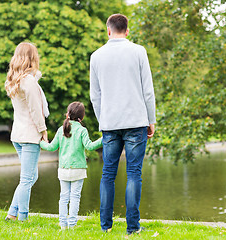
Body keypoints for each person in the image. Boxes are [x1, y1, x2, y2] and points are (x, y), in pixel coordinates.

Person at [90, 13, 156, 235]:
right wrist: (151, 120)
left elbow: (95, 96)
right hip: (136, 121)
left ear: (108, 31)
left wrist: (103, 119)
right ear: (127, 31)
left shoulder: (96, 56)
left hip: (110, 123)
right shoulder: (138, 51)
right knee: (134, 174)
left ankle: (105, 227)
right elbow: (148, 91)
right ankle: (132, 228)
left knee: (108, 173)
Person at [40, 101, 102, 229]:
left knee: (63, 197)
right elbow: (90, 146)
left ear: (67, 114)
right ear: (82, 117)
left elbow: (52, 147)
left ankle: (63, 225)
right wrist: (103, 139)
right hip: (78, 170)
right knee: (75, 198)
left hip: (63, 170)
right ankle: (72, 224)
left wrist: (41, 143)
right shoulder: (82, 130)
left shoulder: (60, 130)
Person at [4, 42, 49, 221]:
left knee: (30, 177)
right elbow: (35, 110)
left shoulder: (14, 80)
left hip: (18, 134)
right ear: (32, 58)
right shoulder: (28, 81)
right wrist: (43, 130)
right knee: (27, 179)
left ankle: (12, 214)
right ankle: (22, 217)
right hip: (29, 135)